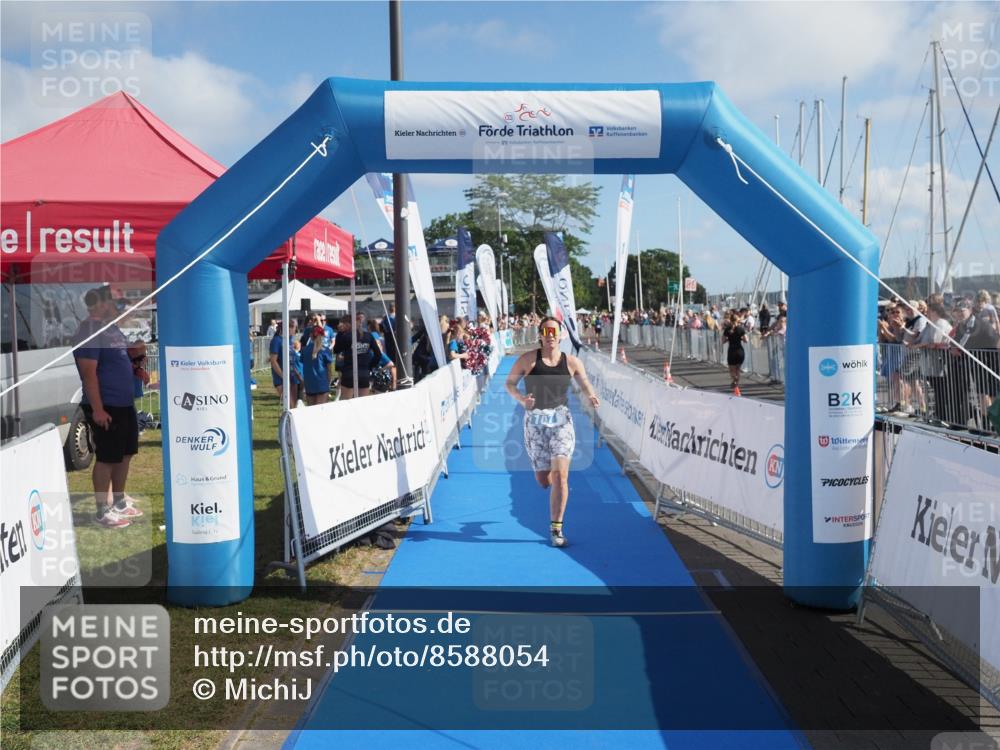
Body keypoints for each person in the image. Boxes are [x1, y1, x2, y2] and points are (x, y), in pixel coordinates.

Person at [505, 317, 600, 548]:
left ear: (560, 335)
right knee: (543, 481)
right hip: (535, 423)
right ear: (540, 334)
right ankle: (555, 484)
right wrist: (521, 399)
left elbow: (584, 381)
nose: (550, 335)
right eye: (545, 331)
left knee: (560, 477)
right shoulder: (527, 360)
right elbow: (509, 384)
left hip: (561, 422)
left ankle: (556, 529)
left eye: (553, 331)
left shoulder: (572, 362)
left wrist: (590, 394)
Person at [72, 286, 143, 528]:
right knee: (107, 458)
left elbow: (118, 361)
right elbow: (89, 374)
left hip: (124, 404)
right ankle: (102, 510)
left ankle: (119, 501)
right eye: (117, 303)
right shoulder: (89, 331)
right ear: (101, 303)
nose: (120, 308)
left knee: (125, 454)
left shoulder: (110, 329)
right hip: (107, 405)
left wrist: (136, 362)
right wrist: (98, 409)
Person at [333, 314, 383, 399]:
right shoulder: (368, 336)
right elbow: (378, 354)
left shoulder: (346, 337)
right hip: (364, 373)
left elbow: (336, 350)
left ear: (348, 324)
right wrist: (370, 366)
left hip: (349, 372)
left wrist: (340, 333)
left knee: (346, 402)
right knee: (362, 404)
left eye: (343, 324)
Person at [269, 319, 303, 406]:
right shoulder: (276, 340)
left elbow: (292, 360)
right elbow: (273, 361)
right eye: (294, 328)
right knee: (290, 406)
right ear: (288, 328)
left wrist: (297, 374)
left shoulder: (290, 340)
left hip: (292, 377)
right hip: (281, 378)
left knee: (294, 407)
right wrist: (283, 376)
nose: (295, 330)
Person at [301, 325, 335, 406]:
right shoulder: (326, 350)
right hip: (322, 384)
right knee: (320, 413)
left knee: (311, 413)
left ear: (311, 336)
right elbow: (329, 371)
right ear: (323, 335)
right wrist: (328, 384)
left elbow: (303, 364)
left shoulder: (305, 350)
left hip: (309, 384)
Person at [722, 312, 747, 395]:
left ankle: (735, 383)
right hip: (740, 351)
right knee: (738, 369)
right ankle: (736, 384)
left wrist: (729, 338)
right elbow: (746, 340)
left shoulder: (727, 329)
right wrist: (740, 338)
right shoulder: (741, 328)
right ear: (738, 320)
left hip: (732, 351)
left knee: (731, 370)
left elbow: (723, 341)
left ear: (730, 320)